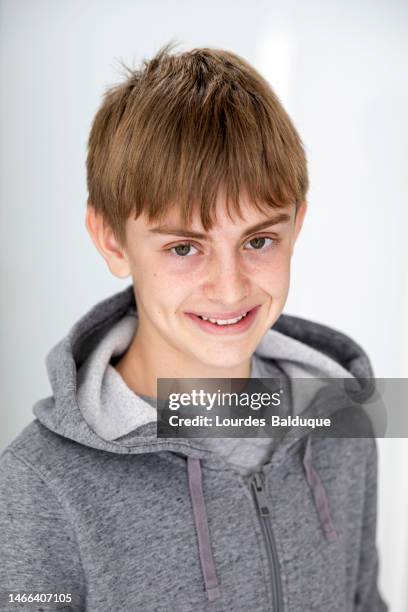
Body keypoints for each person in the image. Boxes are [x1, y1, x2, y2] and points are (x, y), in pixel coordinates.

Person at [0, 43, 388, 611]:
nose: (229, 289)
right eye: (185, 247)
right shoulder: (39, 485)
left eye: (258, 241)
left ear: (296, 226)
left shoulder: (342, 422)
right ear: (112, 240)